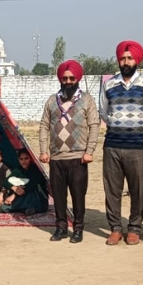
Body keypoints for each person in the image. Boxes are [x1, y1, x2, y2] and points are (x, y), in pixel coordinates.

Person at [100, 41, 143, 246]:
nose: (126, 61)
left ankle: (134, 228)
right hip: (112, 144)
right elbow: (103, 111)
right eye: (123, 58)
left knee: (138, 189)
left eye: (130, 58)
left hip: (139, 145)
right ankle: (115, 228)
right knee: (112, 190)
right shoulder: (109, 84)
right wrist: (120, 124)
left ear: (137, 60)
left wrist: (140, 126)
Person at [38, 60, 100, 243]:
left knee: (78, 195)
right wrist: (43, 150)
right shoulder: (52, 100)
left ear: (78, 78)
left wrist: (90, 151)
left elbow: (94, 126)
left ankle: (78, 228)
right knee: (58, 196)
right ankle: (60, 227)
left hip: (78, 157)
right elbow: (43, 126)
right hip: (56, 157)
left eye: (72, 78)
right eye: (64, 78)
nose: (68, 81)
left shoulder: (87, 99)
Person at [4, 148, 48, 215]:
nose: (24, 161)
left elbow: (31, 185)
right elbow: (6, 181)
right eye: (21, 159)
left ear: (30, 159)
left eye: (26, 158)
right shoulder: (18, 169)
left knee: (31, 191)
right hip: (21, 192)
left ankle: (28, 208)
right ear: (18, 160)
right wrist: (14, 188)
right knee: (16, 186)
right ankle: (25, 209)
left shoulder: (35, 169)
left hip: (36, 196)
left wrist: (14, 195)